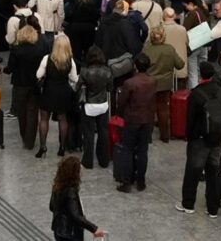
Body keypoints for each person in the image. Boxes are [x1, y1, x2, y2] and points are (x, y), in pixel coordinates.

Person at [178, 61, 221, 218]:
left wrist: (189, 136)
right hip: (217, 138)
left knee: (193, 172)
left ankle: (188, 204)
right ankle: (212, 208)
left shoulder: (196, 94)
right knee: (214, 172)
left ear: (200, 75)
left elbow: (190, 119)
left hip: (199, 139)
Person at [115, 52, 157, 192]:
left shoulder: (130, 83)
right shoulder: (153, 81)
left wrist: (120, 115)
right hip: (147, 119)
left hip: (132, 119)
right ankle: (141, 181)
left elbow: (121, 102)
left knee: (127, 149)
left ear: (135, 66)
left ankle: (127, 182)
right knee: (143, 150)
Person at [36, 33, 77, 157]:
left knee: (44, 119)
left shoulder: (47, 58)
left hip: (49, 91)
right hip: (64, 92)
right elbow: (74, 78)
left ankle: (43, 147)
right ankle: (62, 147)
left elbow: (38, 75)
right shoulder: (70, 61)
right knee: (63, 119)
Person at [50, 155, 106, 241]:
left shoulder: (57, 186)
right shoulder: (71, 191)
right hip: (71, 234)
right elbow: (75, 215)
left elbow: (52, 206)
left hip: (58, 230)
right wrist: (94, 228)